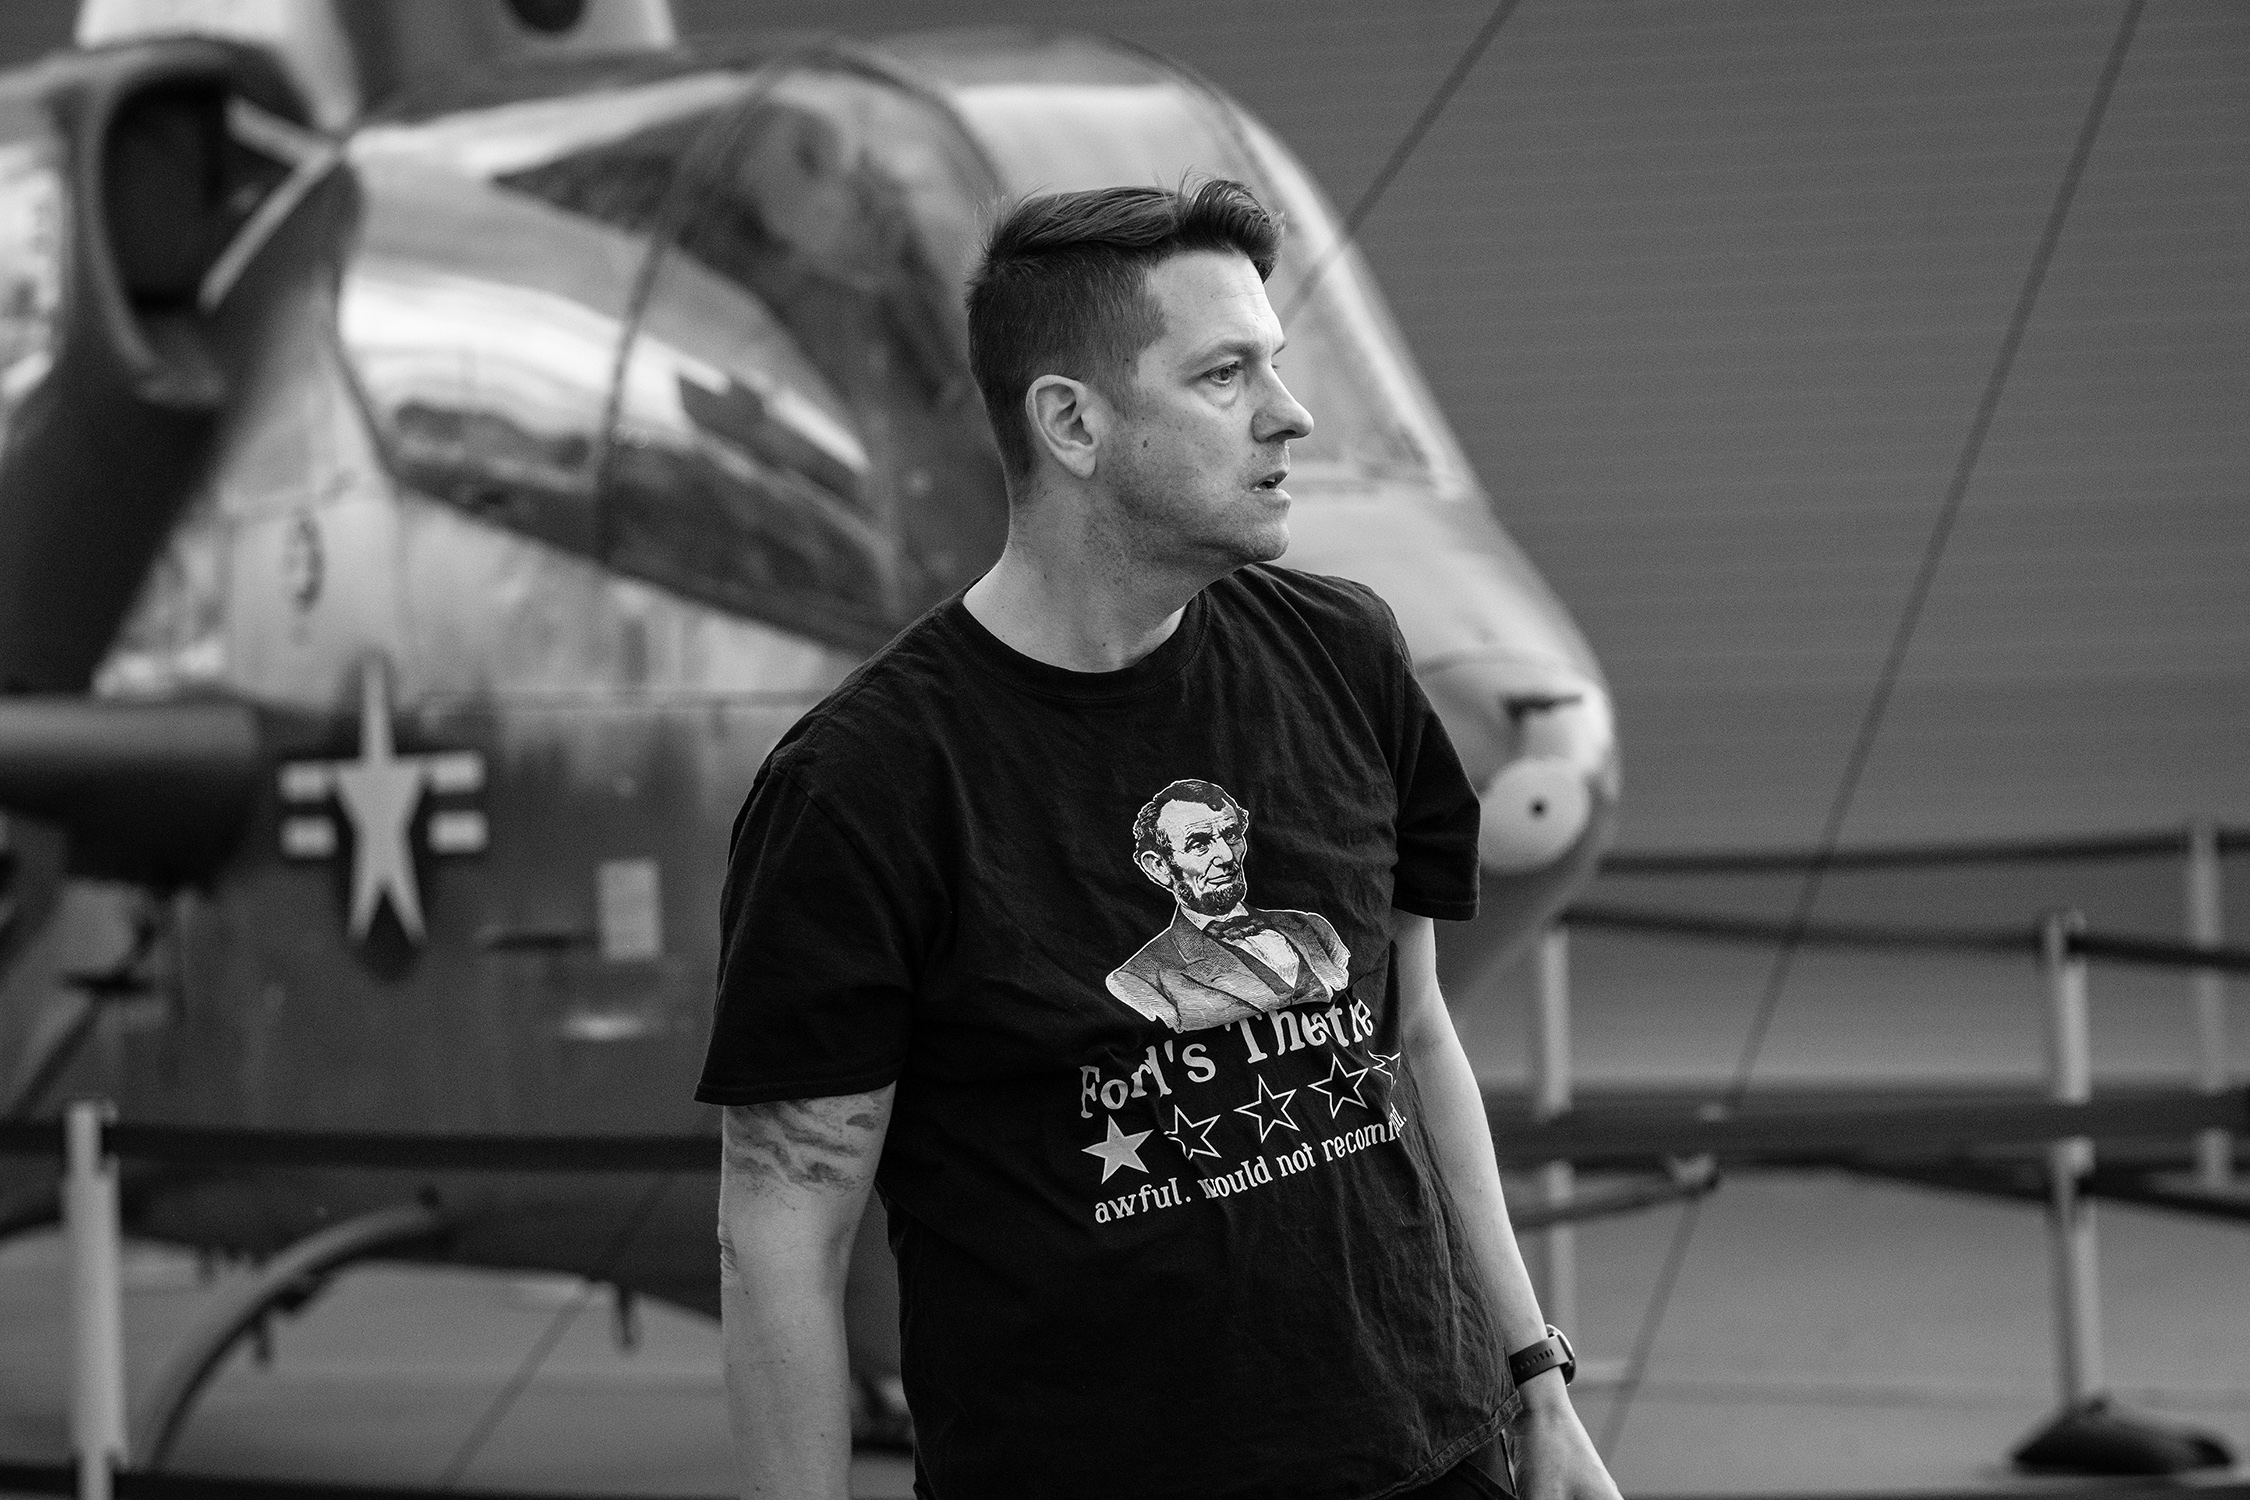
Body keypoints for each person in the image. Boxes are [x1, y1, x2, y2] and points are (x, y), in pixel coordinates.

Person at [697, 180, 1621, 1500]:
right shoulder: (864, 785)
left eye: (1276, 366)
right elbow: (781, 1229)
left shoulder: (1346, 654)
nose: (1288, 414)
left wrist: (1537, 1385)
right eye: (1223, 374)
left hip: (1431, 1458)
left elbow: (1413, 1033)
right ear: (1071, 422)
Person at [1107, 777, 1352, 1030]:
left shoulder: (1311, 927)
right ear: (1159, 866)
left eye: (1231, 835)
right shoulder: (1140, 979)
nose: (1226, 856)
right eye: (1199, 844)